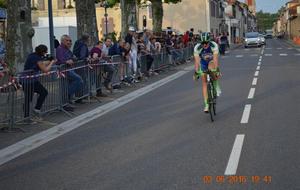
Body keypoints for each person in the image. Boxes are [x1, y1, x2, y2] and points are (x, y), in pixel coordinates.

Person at [22, 44, 56, 117]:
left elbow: (42, 63)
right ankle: (27, 116)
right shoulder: (37, 58)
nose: (45, 54)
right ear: (42, 52)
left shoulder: (32, 55)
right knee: (30, 98)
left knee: (42, 93)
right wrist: (52, 62)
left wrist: (49, 61)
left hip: (30, 80)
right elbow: (45, 70)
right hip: (28, 81)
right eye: (45, 52)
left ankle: (35, 109)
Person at [194, 32, 221, 112]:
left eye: (206, 43)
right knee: (204, 81)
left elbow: (215, 59)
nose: (204, 44)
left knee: (212, 69)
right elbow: (197, 61)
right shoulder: (197, 48)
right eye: (203, 43)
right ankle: (206, 104)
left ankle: (215, 85)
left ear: (209, 41)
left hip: (211, 61)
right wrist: (197, 72)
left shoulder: (214, 46)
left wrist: (217, 70)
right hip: (203, 62)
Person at [56, 34, 83, 107]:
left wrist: (72, 59)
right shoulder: (60, 49)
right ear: (62, 41)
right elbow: (60, 60)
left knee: (73, 83)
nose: (69, 42)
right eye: (67, 40)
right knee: (79, 80)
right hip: (64, 70)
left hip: (70, 69)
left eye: (70, 41)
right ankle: (66, 96)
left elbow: (74, 57)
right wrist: (66, 61)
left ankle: (67, 100)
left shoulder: (67, 49)